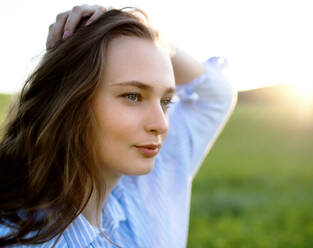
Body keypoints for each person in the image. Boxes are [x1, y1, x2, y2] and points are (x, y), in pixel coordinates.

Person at [0, 5, 237, 248]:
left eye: (166, 101)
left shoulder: (145, 185)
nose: (161, 124)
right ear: (69, 102)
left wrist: (142, 33)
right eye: (133, 96)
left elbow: (215, 94)